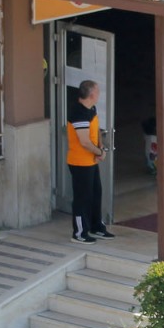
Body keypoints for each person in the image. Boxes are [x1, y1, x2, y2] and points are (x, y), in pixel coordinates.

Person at [65, 79, 112, 243]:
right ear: (92, 94)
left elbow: (96, 129)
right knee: (82, 198)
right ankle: (79, 233)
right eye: (98, 92)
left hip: (91, 161)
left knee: (95, 194)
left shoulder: (91, 108)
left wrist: (101, 148)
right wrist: (99, 151)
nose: (99, 94)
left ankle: (96, 226)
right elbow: (84, 141)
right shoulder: (78, 112)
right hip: (79, 163)